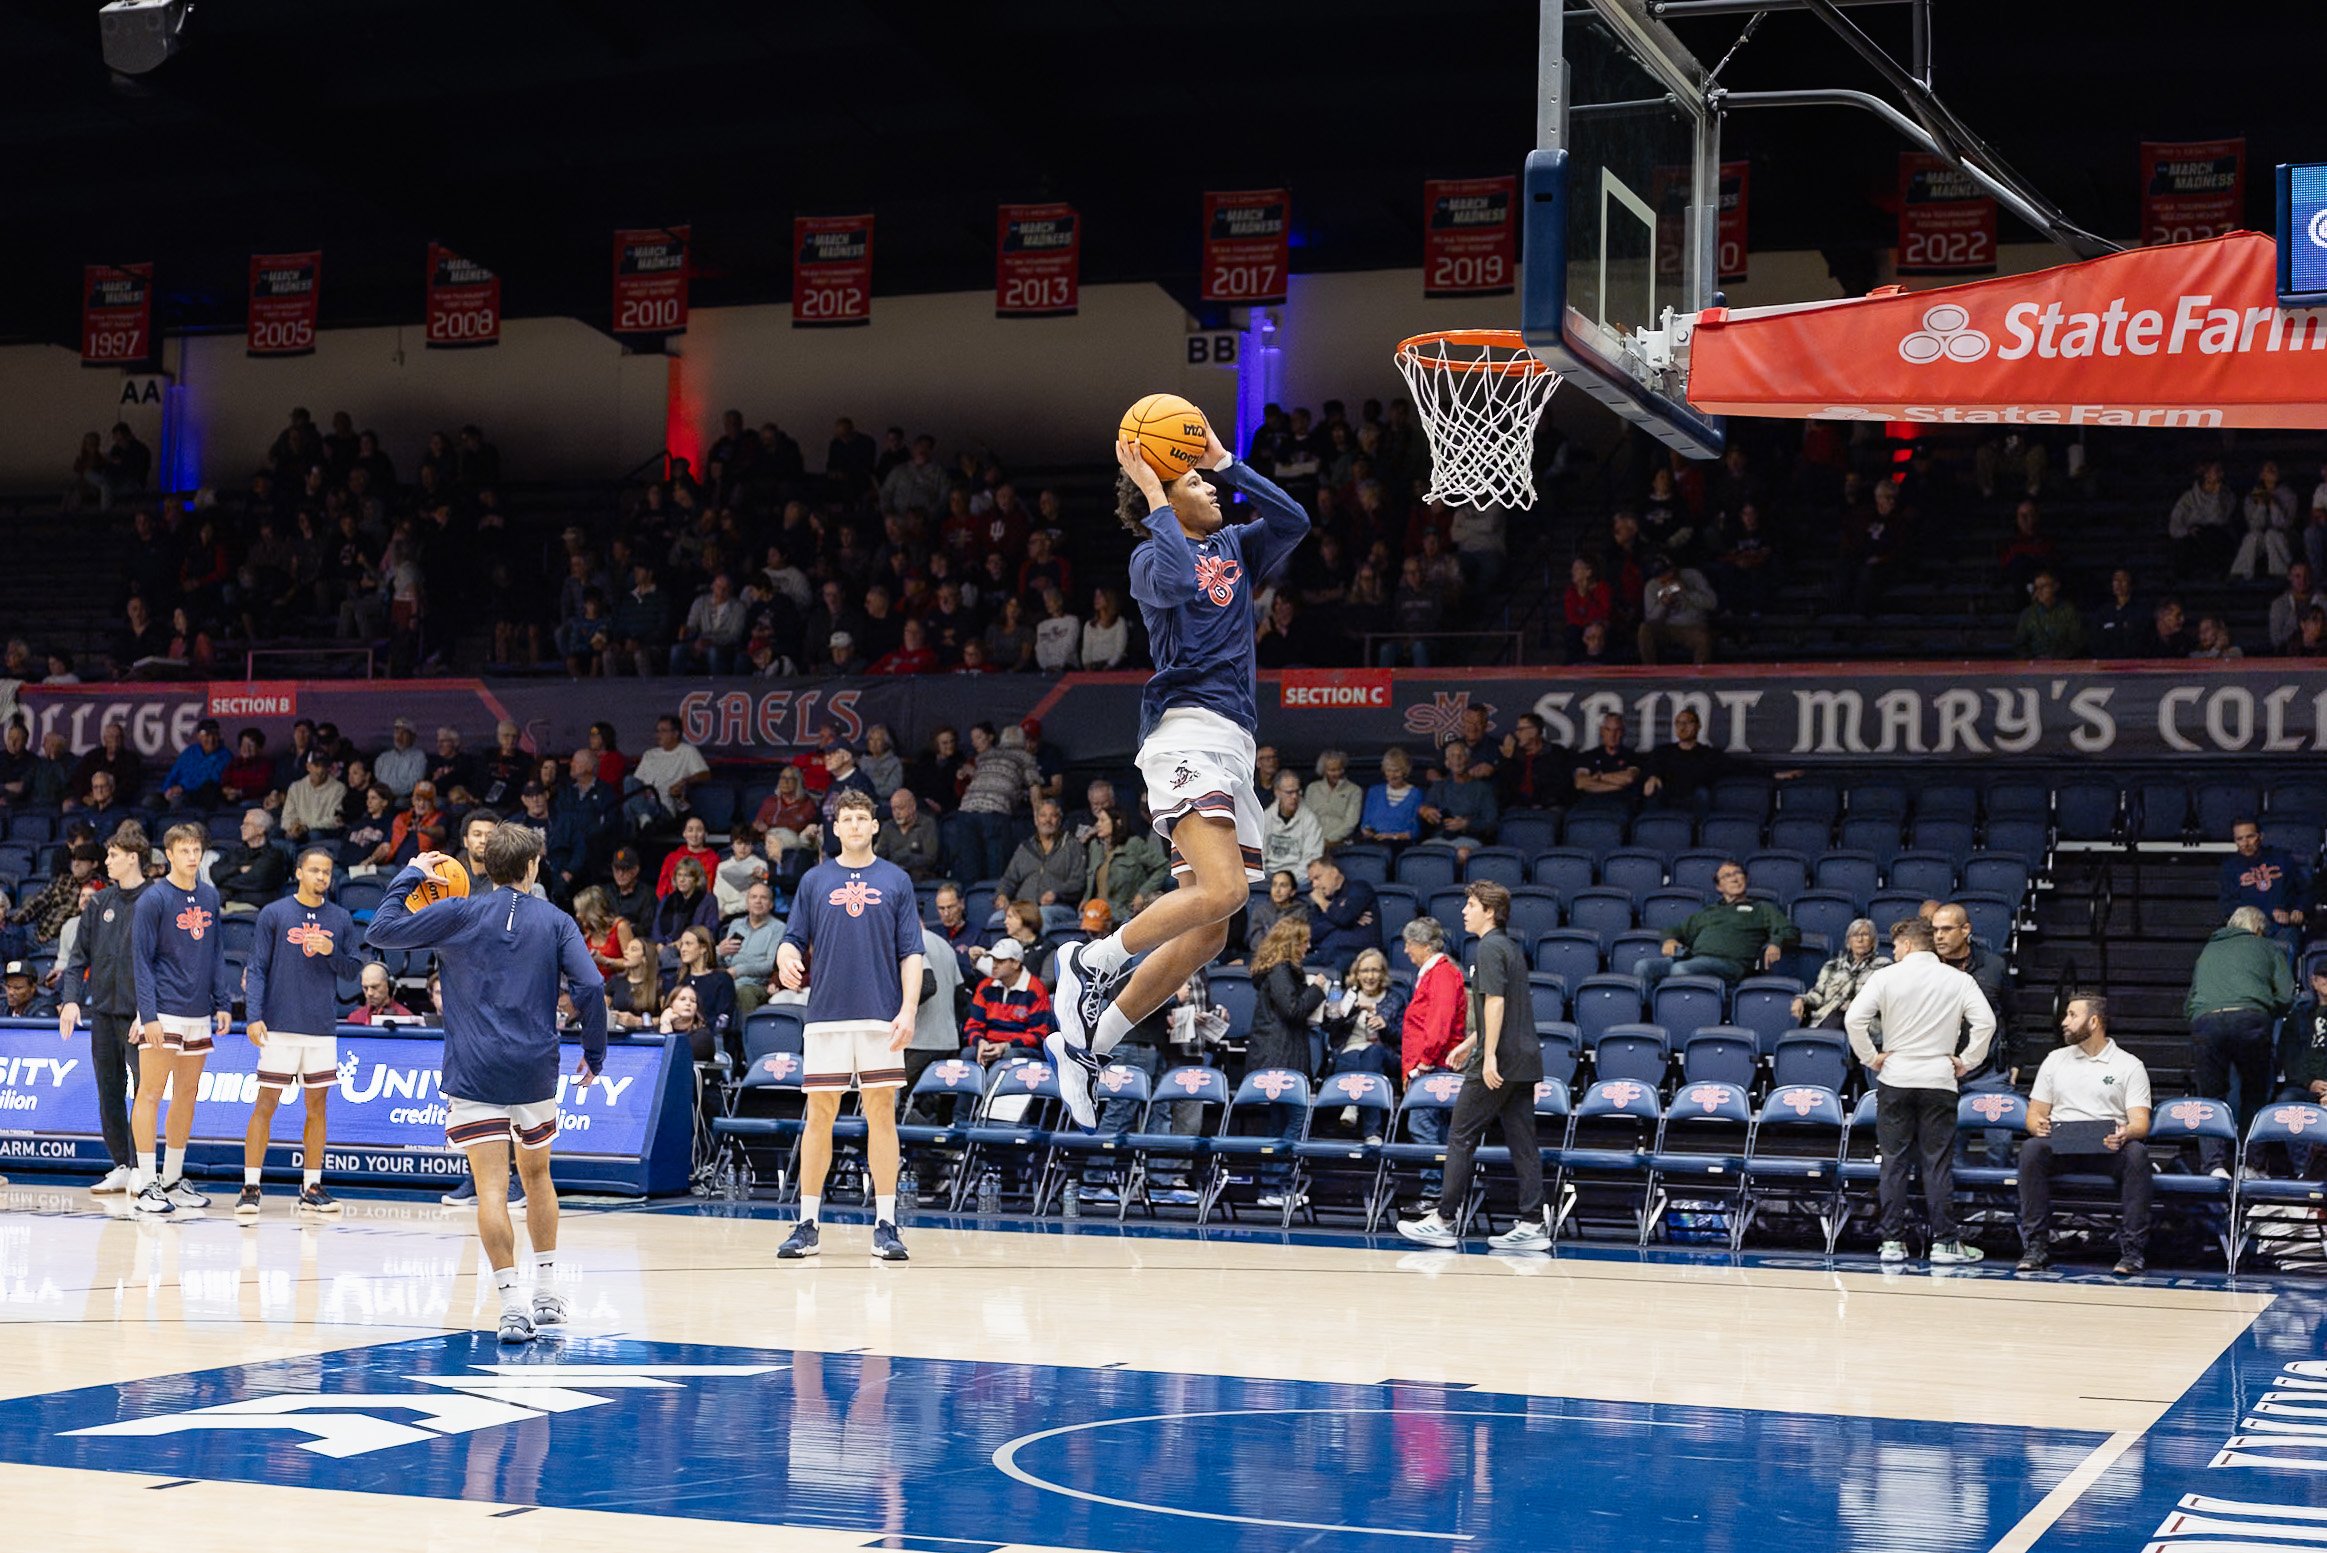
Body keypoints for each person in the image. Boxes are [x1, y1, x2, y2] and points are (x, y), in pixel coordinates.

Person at [1043, 420, 1310, 1128]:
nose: (1210, 490)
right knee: (1225, 889)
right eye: (1194, 481)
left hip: (1231, 741)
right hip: (1184, 730)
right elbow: (1174, 578)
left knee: (1212, 928)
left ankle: (1085, 1045)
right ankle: (1089, 963)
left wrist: (1229, 463)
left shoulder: (1235, 544)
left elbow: (1295, 518)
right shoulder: (1146, 559)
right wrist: (1158, 499)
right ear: (1162, 495)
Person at [366, 825, 608, 1343]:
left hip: (474, 1069)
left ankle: (512, 1306)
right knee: (538, 1178)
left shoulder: (458, 913)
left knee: (491, 1190)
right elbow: (591, 984)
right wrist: (594, 1051)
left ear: (484, 866)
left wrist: (411, 875)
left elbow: (380, 930)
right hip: (533, 1068)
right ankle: (545, 1293)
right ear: (533, 866)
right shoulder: (556, 920)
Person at [774, 789, 923, 1263]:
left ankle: (886, 1223)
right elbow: (791, 939)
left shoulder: (896, 879)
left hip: (882, 1015)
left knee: (882, 1114)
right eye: (848, 819)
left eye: (863, 818)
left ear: (875, 826)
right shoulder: (814, 880)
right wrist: (786, 959)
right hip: (827, 1017)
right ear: (835, 828)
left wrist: (909, 1010)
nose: (856, 825)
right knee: (819, 1116)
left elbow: (911, 953)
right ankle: (807, 1222)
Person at [1398, 881, 1550, 1251]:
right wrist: (1470, 1042)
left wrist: (1489, 1054)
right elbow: (1500, 1008)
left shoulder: (1488, 947)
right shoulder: (1508, 947)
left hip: (1500, 1059)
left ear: (1489, 911)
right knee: (1522, 1141)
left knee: (1460, 1135)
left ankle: (1444, 1219)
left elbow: (1496, 1003)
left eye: (1470, 905)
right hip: (1524, 1058)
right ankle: (1533, 1223)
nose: (1464, 911)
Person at [1845, 916, 1996, 1265]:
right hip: (1939, 1079)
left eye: (1896, 946)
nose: (1894, 952)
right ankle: (1945, 1243)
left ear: (1909, 944)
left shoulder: (1884, 976)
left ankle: (1892, 1243)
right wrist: (1968, 1060)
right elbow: (1986, 1023)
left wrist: (1871, 1057)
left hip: (1896, 1078)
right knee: (1937, 1164)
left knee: (1894, 1164)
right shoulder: (1959, 980)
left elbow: (1854, 1020)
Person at [237, 846, 366, 1218]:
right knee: (266, 1104)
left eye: (326, 872)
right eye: (314, 870)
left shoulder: (340, 918)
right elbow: (257, 967)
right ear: (298, 872)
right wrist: (254, 1015)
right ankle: (251, 1185)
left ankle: (312, 1185)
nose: (321, 877)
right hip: (278, 1024)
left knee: (317, 1107)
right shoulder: (274, 913)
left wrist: (330, 950)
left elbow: (351, 970)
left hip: (321, 1027)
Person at [127, 822, 236, 1214]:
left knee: (187, 1096)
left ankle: (172, 1179)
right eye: (184, 850)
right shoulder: (153, 899)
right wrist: (148, 1014)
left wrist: (223, 1002)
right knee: (151, 1093)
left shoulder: (209, 895)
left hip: (198, 1011)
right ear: (169, 854)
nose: (192, 856)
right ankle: (145, 1183)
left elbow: (215, 952)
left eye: (196, 850)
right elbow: (139, 960)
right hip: (163, 1010)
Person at [2016, 993, 2153, 1276]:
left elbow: (2141, 1122)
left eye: (2072, 1015)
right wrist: (2037, 1125)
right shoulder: (2055, 1060)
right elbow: (2034, 1113)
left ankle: (2132, 1251)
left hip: (2107, 1148)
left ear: (2094, 1021)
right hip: (2062, 1147)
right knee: (2031, 1148)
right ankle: (2036, 1246)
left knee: (2137, 1154)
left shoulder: (2128, 1065)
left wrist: (2125, 1133)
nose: (2064, 1022)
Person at [56, 827, 155, 1195]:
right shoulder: (99, 904)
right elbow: (77, 957)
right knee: (109, 1090)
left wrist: (149, 1013)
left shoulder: (155, 900)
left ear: (133, 857)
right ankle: (122, 1165)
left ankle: (144, 1166)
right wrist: (70, 1000)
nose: (107, 861)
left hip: (140, 1017)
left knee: (144, 1093)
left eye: (113, 855)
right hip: (103, 1014)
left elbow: (163, 963)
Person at [2184, 905, 2295, 1174]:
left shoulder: (2209, 950)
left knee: (2209, 1098)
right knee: (2255, 1094)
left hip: (2206, 1022)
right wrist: (2266, 1011)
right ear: (2257, 929)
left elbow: (2190, 1003)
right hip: (2249, 1019)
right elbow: (2286, 996)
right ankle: (2251, 1165)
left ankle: (2213, 1166)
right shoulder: (2268, 947)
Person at [1634, 861, 1798, 987]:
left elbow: (1790, 930)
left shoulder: (1761, 908)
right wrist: (1669, 940)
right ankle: (1655, 1012)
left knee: (1681, 970)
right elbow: (1675, 930)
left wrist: (1776, 943)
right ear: (1719, 886)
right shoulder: (1709, 911)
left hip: (1731, 965)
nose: (1734, 878)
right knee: (1643, 967)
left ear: (1745, 879)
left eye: (1738, 873)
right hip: (1695, 959)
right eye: (1727, 876)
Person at [1399, 915, 1467, 1207]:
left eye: (1409, 944)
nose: (1405, 951)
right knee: (1431, 1129)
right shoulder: (1433, 973)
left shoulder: (1441, 974)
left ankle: (1434, 1194)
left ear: (1423, 945)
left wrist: (1422, 1064)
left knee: (1425, 1127)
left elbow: (1438, 1024)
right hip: (1430, 1066)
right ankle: (1439, 1194)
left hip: (1434, 1068)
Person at [996, 799, 1086, 933]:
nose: (1047, 820)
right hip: (1024, 907)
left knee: (1042, 916)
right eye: (1043, 815)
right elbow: (1009, 879)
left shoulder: (1072, 846)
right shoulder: (1025, 848)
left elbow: (1078, 882)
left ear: (1060, 820)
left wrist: (1057, 893)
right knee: (996, 919)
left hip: (1059, 906)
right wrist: (1002, 894)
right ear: (1036, 820)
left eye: (1053, 816)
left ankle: (1039, 952)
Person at [2220, 818, 2307, 955]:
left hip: (2283, 927)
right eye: (2240, 839)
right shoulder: (2230, 868)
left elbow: (2305, 891)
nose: (2245, 843)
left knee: (2283, 950)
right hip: (2248, 928)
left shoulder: (2282, 859)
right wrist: (2267, 913)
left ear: (2260, 836)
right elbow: (2228, 905)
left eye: (2250, 837)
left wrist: (2299, 909)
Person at [1794, 919, 1889, 1029]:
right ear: (1848, 941)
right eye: (1855, 935)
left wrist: (1855, 1006)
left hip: (1865, 1024)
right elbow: (1818, 995)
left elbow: (1884, 1002)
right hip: (1828, 1018)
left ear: (1873, 940)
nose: (1860, 939)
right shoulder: (1832, 966)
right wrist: (1802, 999)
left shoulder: (1883, 966)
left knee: (1839, 1018)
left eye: (1865, 935)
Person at [1085, 807, 1169, 926]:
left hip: (1123, 914)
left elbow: (1163, 866)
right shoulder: (1095, 847)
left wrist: (1143, 893)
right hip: (1096, 916)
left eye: (1102, 820)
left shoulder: (1133, 845)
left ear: (1118, 822)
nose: (1097, 824)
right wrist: (1085, 899)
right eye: (1098, 820)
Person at [672, 924, 739, 1066]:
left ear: (703, 948)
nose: (682, 949)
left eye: (688, 944)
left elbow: (723, 1019)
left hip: (709, 1042)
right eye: (681, 944)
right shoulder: (678, 981)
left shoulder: (722, 979)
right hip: (679, 1038)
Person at [1305, 856, 1380, 975]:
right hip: (1322, 954)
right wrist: (1347, 918)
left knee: (1335, 971)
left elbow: (1344, 919)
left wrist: (1323, 904)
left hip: (1354, 955)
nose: (1314, 885)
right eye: (1311, 881)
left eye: (1317, 878)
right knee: (1287, 966)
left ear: (1334, 872)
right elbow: (1313, 933)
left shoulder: (1360, 888)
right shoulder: (1320, 903)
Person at [211, 808, 290, 912]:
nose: (242, 827)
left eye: (247, 824)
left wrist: (223, 881)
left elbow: (255, 880)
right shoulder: (236, 851)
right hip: (227, 903)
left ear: (261, 830)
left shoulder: (274, 855)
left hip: (257, 908)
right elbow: (215, 873)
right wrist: (238, 869)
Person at [1261, 769, 1325, 878]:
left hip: (1298, 880)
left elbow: (1312, 859)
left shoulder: (1310, 820)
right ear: (1277, 792)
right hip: (1268, 877)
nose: (1294, 797)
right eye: (1289, 792)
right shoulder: (1266, 817)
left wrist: (1289, 881)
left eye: (1297, 791)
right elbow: (1259, 855)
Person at [1359, 747, 1425, 846]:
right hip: (1373, 843)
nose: (1392, 775)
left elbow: (1415, 832)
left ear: (1405, 771)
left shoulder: (1416, 794)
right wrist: (1367, 832)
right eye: (1388, 770)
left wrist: (1392, 836)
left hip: (1400, 844)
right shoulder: (1374, 791)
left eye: (1396, 771)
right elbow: (1365, 823)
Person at [874, 788, 943, 881]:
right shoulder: (888, 827)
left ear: (913, 807)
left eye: (901, 808)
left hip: (920, 878)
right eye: (894, 809)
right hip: (891, 877)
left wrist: (904, 857)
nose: (897, 813)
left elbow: (930, 858)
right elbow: (879, 855)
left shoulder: (927, 824)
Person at [1573, 712, 1642, 800]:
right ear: (1602, 731)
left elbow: (1629, 778)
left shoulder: (1632, 756)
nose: (1612, 735)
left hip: (1621, 803)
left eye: (1617, 730)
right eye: (1608, 730)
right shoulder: (1589, 756)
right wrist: (1617, 787)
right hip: (1591, 804)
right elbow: (1580, 783)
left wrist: (1598, 777)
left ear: (1623, 732)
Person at [1302, 749, 1363, 848]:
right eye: (1332, 770)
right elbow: (1306, 817)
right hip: (1313, 841)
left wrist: (1329, 840)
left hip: (1341, 843)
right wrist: (1316, 839)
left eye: (1339, 769)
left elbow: (1351, 822)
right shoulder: (1312, 788)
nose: (1336, 773)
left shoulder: (1354, 790)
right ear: (1323, 770)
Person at [345, 961, 414, 1023]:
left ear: (389, 985)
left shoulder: (406, 1018)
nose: (369, 993)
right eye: (365, 988)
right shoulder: (355, 1018)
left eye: (375, 987)